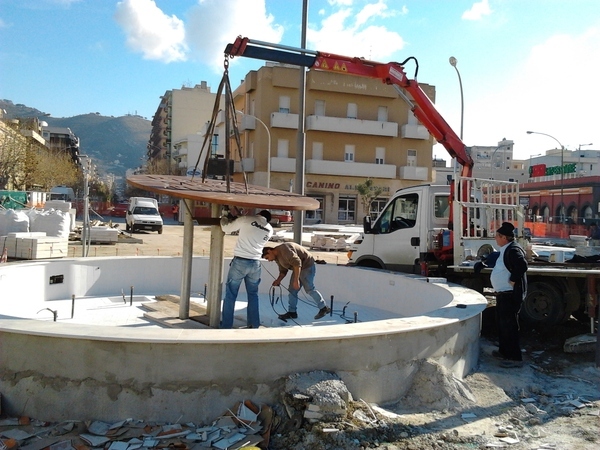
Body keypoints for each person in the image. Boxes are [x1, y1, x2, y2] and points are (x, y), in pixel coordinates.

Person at [220, 209, 273, 329]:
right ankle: (254, 324)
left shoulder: (247, 219)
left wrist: (224, 217)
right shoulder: (270, 229)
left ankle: (226, 326)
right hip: (255, 264)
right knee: (253, 295)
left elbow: (226, 228)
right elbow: (254, 231)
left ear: (258, 214)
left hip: (240, 262)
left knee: (231, 294)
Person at [489, 222, 528, 368]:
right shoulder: (506, 249)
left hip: (510, 295)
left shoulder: (513, 250)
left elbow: (522, 265)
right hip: (503, 295)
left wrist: (512, 279)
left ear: (503, 237)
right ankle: (504, 352)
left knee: (509, 326)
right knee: (502, 324)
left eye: (497, 236)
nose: (495, 239)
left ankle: (514, 358)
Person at [262, 242, 330, 321]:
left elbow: (297, 263)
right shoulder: (277, 257)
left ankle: (324, 308)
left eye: (267, 258)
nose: (269, 260)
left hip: (306, 265)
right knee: (292, 290)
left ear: (270, 251)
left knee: (309, 289)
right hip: (297, 268)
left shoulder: (284, 250)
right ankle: (292, 312)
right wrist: (278, 280)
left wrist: (296, 280)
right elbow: (283, 270)